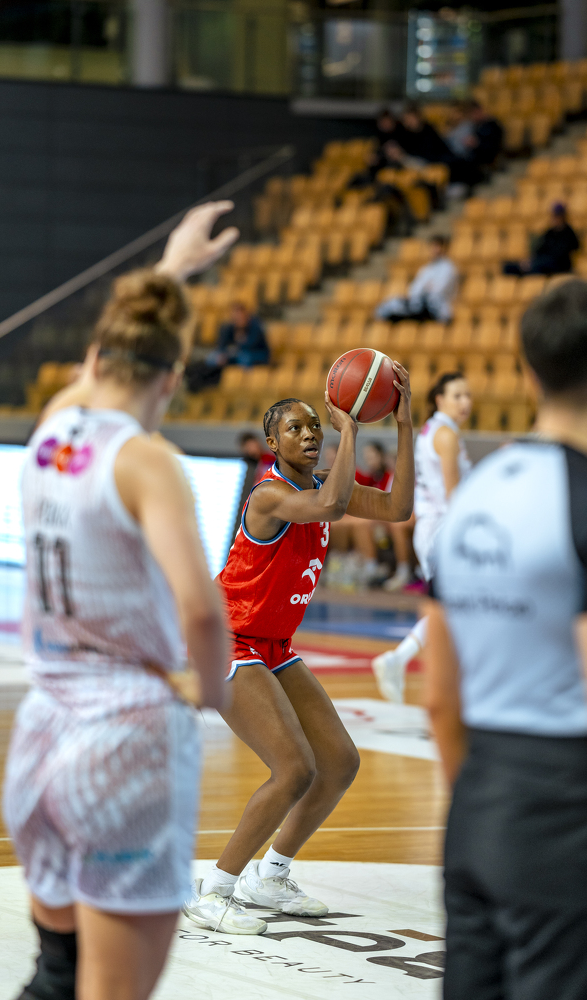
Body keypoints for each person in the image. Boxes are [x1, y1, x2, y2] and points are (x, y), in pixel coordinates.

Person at [3, 202, 237, 1000]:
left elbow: (92, 375)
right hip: (125, 739)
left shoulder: (50, 430)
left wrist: (169, 272)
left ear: (97, 359)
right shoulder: (146, 461)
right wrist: (210, 691)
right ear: (171, 379)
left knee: (55, 977)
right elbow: (201, 609)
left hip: (41, 732)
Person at [426, 278, 587, 1000]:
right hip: (570, 820)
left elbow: (439, 700)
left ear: (527, 372)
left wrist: (484, 806)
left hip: (476, 810)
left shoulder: (471, 499)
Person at [184, 367, 414, 935]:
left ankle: (271, 876)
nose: (310, 433)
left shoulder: (322, 487)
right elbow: (333, 506)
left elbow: (398, 508)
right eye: (295, 427)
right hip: (229, 639)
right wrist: (350, 428)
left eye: (315, 425)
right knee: (293, 768)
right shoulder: (270, 495)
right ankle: (214, 890)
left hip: (273, 644)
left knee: (340, 761)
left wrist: (404, 424)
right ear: (273, 442)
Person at [372, 372, 472, 701]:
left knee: (450, 607)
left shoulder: (432, 430)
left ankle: (399, 661)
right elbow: (453, 495)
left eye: (467, 395)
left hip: (430, 529)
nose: (465, 402)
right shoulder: (446, 435)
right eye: (457, 395)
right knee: (452, 607)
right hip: (444, 529)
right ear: (439, 399)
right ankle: (407, 664)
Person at [328, 441, 395, 587]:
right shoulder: (372, 477)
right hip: (373, 517)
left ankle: (371, 565)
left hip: (386, 519)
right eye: (367, 457)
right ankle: (340, 562)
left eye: (372, 457)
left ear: (381, 456)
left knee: (359, 523)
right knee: (338, 522)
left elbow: (390, 505)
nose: (369, 460)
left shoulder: (388, 476)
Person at [186, 301, 269, 392]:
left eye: (240, 316)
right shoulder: (230, 328)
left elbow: (250, 345)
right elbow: (222, 345)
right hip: (233, 356)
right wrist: (223, 354)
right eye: (235, 317)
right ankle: (194, 376)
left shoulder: (255, 327)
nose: (238, 319)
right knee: (214, 358)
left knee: (242, 357)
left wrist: (235, 347)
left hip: (254, 356)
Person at [376, 235, 458, 323]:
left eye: (437, 246)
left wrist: (426, 289)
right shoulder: (426, 268)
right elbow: (415, 289)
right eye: (432, 247)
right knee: (392, 303)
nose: (434, 250)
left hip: (437, 307)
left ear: (443, 248)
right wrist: (425, 289)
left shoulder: (449, 268)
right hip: (420, 304)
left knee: (428, 301)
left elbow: (439, 289)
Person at [504, 202, 579, 277]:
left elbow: (564, 252)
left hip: (558, 265)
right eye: (554, 216)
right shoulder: (549, 232)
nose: (555, 219)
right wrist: (531, 260)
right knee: (509, 267)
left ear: (563, 217)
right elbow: (540, 249)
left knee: (536, 267)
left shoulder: (568, 233)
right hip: (542, 262)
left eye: (557, 216)